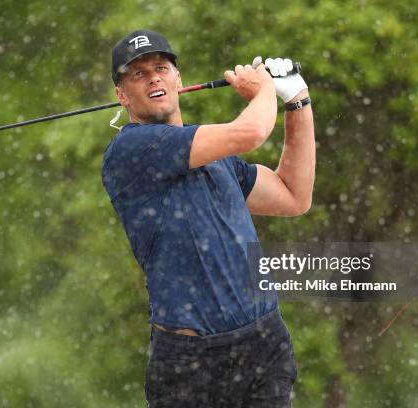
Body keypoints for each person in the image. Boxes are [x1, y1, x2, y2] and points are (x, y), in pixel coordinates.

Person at [102, 29, 315, 408]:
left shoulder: (216, 155)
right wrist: (265, 88)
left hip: (264, 343)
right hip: (190, 360)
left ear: (178, 80)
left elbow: (293, 196)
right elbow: (250, 132)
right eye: (137, 73)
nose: (153, 77)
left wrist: (297, 99)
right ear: (121, 95)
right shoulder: (130, 150)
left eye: (162, 67)